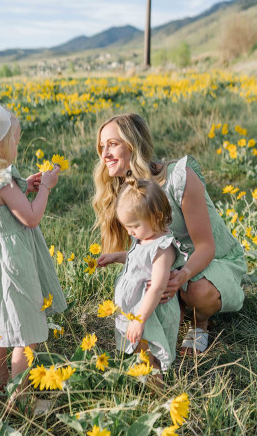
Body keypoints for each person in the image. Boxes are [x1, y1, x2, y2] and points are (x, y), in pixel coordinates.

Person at [93, 113, 246, 355]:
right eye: (102, 147)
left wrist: (181, 276)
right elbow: (150, 247)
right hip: (172, 263)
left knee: (196, 290)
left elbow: (206, 247)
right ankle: (173, 315)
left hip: (212, 261)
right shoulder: (128, 190)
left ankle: (200, 325)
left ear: (133, 143)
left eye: (112, 144)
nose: (104, 155)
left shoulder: (178, 177)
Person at [0, 97, 67, 405]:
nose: (16, 148)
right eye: (14, 142)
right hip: (12, 264)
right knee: (25, 334)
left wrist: (25, 187)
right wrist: (45, 186)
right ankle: (18, 399)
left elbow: (3, 208)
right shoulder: (4, 184)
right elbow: (30, 217)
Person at [99, 176, 187, 383]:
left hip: (150, 312)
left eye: (134, 226)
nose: (130, 232)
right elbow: (136, 260)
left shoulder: (162, 248)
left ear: (156, 217)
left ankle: (157, 391)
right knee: (139, 349)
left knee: (149, 351)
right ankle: (143, 379)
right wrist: (116, 256)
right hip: (137, 310)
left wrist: (140, 320)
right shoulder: (144, 236)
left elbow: (156, 287)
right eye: (126, 226)